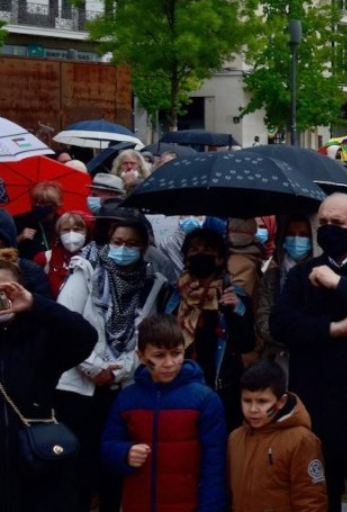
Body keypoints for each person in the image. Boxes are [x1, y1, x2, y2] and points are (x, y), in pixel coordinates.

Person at [270, 193, 347, 512]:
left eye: (337, 224)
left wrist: (339, 284)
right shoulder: (303, 274)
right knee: (319, 499)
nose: (327, 229)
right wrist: (333, 329)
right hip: (316, 407)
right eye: (323, 223)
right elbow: (281, 324)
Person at [53, 215, 168, 512]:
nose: (123, 249)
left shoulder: (150, 283)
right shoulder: (86, 269)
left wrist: (120, 370)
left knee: (112, 466)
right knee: (78, 468)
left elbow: (145, 336)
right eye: (117, 242)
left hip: (121, 388)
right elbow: (65, 324)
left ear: (144, 248)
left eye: (131, 244)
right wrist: (93, 367)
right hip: (78, 386)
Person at [0, 248, 97, 512]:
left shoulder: (38, 337)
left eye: (4, 292)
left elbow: (84, 337)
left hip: (36, 471)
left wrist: (35, 305)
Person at [102, 314, 228, 512]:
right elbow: (107, 447)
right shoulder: (127, 399)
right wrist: (124, 453)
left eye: (176, 353)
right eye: (159, 356)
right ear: (141, 356)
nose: (169, 363)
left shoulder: (205, 400)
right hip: (138, 504)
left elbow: (215, 467)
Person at [160, 228, 256, 428]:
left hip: (219, 389)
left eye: (208, 249)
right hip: (177, 385)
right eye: (194, 249)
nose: (200, 254)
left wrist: (233, 310)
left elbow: (246, 343)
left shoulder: (234, 295)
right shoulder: (172, 294)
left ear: (220, 259)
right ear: (185, 256)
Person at [227, 361, 327, 512]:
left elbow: (311, 501)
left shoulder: (302, 441)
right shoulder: (235, 438)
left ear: (281, 401)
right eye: (247, 401)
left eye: (262, 401)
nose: (253, 409)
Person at [257, 214, 313, 373]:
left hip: (310, 357)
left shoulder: (321, 274)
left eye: (303, 235)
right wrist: (285, 337)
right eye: (291, 234)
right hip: (276, 357)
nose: (296, 240)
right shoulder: (273, 274)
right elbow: (262, 317)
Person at [41, 210, 92, 297]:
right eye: (66, 230)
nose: (71, 234)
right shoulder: (44, 259)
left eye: (77, 230)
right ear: (58, 233)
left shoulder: (96, 261)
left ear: (87, 233)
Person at [14, 180, 62, 261]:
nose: (38, 205)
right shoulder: (20, 221)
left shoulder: (62, 224)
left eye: (43, 202)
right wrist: (19, 238)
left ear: (54, 205)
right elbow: (5, 249)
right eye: (35, 201)